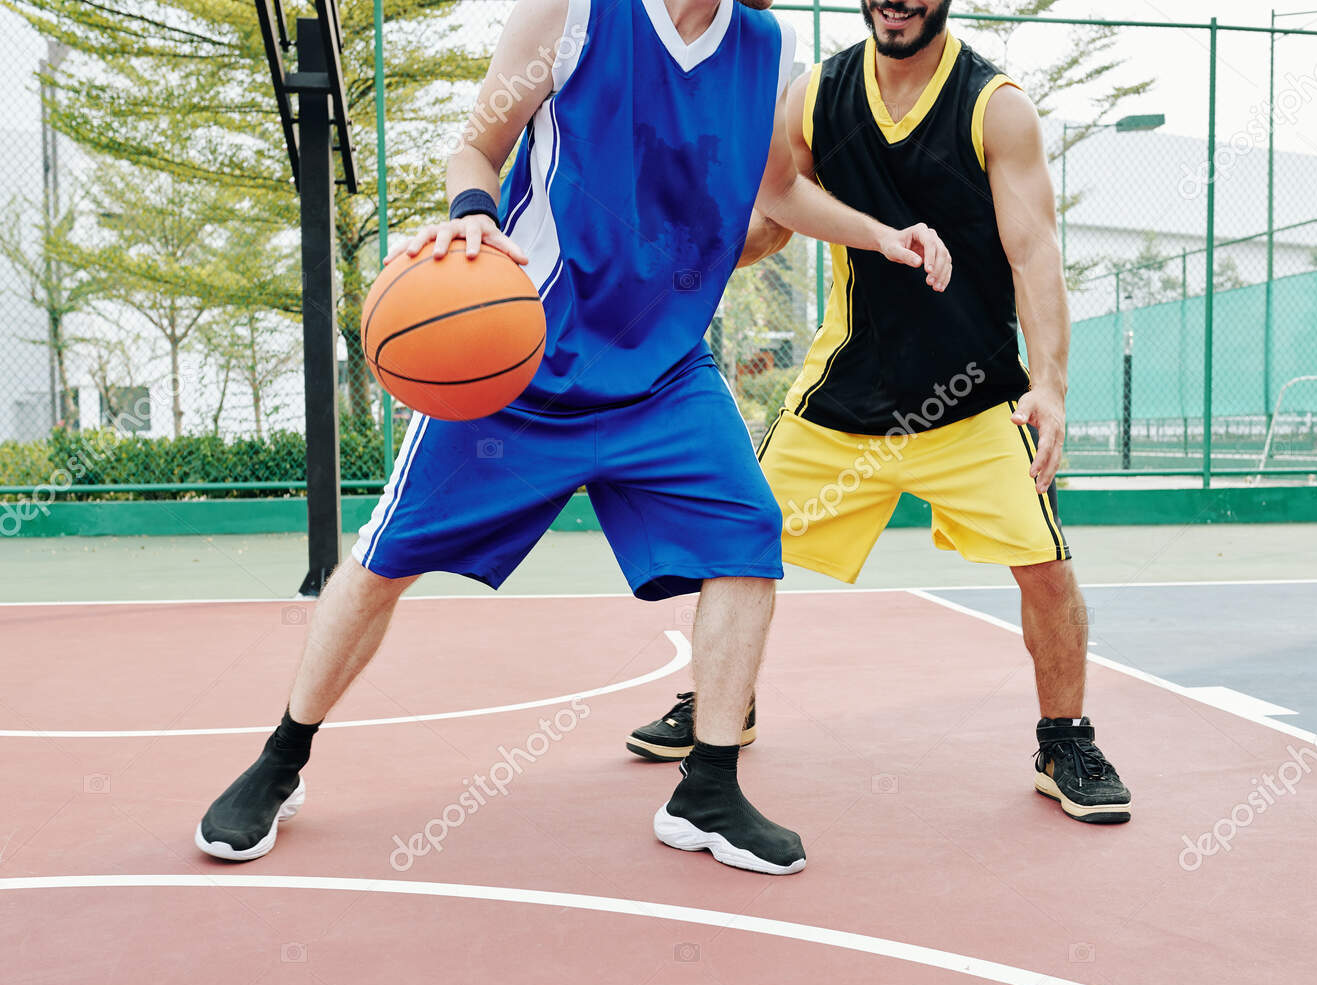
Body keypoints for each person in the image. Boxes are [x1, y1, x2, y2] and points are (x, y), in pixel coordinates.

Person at [194, 0, 951, 875]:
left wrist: (883, 236)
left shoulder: (765, 47)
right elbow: (473, 146)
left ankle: (708, 786)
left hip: (662, 373)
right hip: (520, 362)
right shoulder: (575, 13)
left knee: (749, 532)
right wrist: (474, 209)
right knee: (384, 561)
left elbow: (776, 191)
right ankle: (282, 758)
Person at [627, 0, 1130, 824]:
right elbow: (774, 214)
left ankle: (1063, 737)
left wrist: (1052, 385)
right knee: (738, 536)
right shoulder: (815, 96)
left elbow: (1033, 248)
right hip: (842, 400)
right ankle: (723, 705)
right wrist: (704, 243)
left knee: (1045, 568)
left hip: (973, 403)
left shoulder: (992, 107)